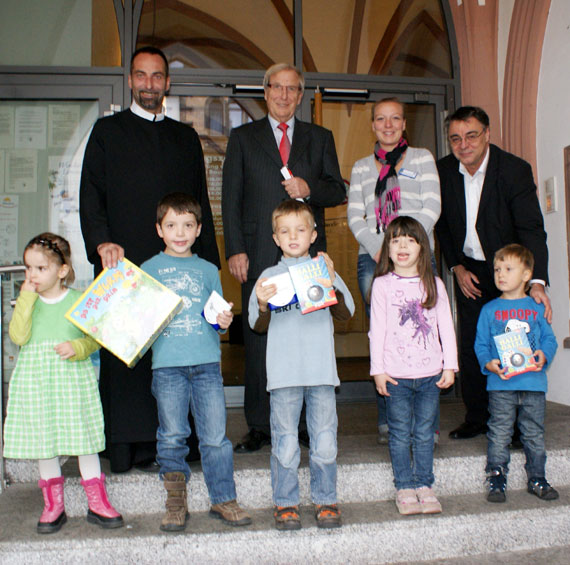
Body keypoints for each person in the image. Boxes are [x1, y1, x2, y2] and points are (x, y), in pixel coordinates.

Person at [80, 46, 219, 472]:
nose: (149, 84)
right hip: (124, 267)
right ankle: (127, 447)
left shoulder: (185, 137)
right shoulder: (107, 132)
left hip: (180, 268)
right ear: (130, 80)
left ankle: (178, 445)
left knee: (178, 353)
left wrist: (209, 272)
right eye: (141, 75)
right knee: (128, 362)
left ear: (167, 83)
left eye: (157, 76)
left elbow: (200, 207)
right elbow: (91, 195)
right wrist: (101, 242)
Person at [222, 63, 346, 453]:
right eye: (277, 87)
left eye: (293, 89)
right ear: (266, 91)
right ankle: (259, 424)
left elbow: (336, 190)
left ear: (300, 95)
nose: (284, 95)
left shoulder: (319, 137)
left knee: (308, 333)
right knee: (262, 337)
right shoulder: (243, 137)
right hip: (259, 250)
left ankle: (307, 423)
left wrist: (309, 188)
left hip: (309, 254)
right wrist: (236, 249)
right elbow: (231, 198)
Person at [436, 105, 550, 440]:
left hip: (510, 273)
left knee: (512, 343)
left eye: (471, 135)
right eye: (456, 138)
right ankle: (478, 418)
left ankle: (516, 426)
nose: (464, 144)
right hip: (469, 271)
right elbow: (441, 225)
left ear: (487, 134)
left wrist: (536, 281)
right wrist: (455, 265)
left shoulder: (513, 170)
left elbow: (531, 229)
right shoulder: (442, 171)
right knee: (475, 344)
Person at [141, 193, 251, 532]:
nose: (180, 232)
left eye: (188, 225)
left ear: (199, 229)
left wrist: (223, 320)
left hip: (206, 364)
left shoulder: (207, 270)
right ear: (159, 229)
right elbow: (139, 318)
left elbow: (215, 318)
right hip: (168, 366)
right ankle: (175, 503)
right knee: (172, 434)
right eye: (172, 225)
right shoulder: (148, 269)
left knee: (215, 436)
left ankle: (223, 498)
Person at [3, 233, 123, 534]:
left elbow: (95, 338)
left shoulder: (78, 300)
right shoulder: (26, 302)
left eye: (40, 269)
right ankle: (53, 505)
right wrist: (27, 299)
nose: (32, 275)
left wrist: (77, 348)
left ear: (62, 271)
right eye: (28, 268)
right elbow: (18, 336)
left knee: (85, 439)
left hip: (72, 379)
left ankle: (97, 502)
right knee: (46, 442)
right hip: (37, 381)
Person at [248, 200, 354, 530]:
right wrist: (263, 304)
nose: (293, 236)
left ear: (313, 234)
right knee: (285, 442)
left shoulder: (324, 268)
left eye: (300, 229)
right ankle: (285, 502)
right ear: (276, 238)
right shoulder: (267, 277)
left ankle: (326, 499)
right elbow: (256, 325)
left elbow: (347, 315)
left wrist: (332, 281)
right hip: (283, 375)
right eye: (285, 231)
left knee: (324, 440)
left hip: (321, 371)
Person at [348, 97, 441, 444]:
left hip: (419, 260)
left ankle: (425, 423)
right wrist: (382, 251)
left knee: (423, 333)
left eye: (395, 119)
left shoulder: (422, 159)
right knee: (385, 337)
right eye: (381, 120)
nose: (388, 125)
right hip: (373, 259)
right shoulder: (360, 167)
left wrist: (409, 249)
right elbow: (355, 217)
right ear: (373, 125)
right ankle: (390, 421)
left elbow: (432, 206)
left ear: (404, 124)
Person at [369, 217, 457, 515]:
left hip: (430, 374)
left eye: (410, 240)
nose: (402, 245)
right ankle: (404, 486)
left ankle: (424, 485)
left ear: (423, 247)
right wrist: (377, 369)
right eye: (395, 240)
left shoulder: (434, 284)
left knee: (424, 433)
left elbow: (446, 326)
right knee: (399, 433)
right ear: (387, 248)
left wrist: (450, 365)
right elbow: (377, 329)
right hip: (396, 377)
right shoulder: (381, 285)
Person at [474, 244, 558, 503]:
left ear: (526, 275)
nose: (500, 274)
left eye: (508, 269)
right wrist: (488, 363)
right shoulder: (489, 310)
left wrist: (543, 354)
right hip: (501, 384)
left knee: (533, 432)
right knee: (499, 431)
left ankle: (537, 477)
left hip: (533, 383)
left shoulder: (536, 307)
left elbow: (549, 340)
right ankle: (497, 478)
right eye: (498, 269)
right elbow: (481, 344)